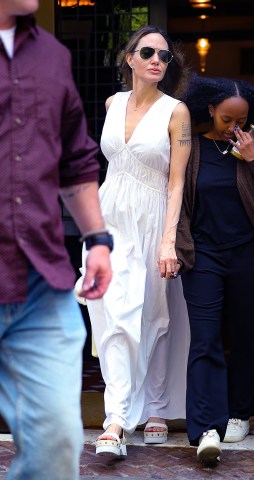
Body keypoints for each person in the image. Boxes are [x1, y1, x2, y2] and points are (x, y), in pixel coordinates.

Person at [0, 1, 113, 479]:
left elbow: (75, 158)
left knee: (57, 442)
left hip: (39, 281)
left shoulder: (52, 55)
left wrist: (98, 240)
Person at [175, 75, 254, 464]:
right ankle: (206, 426)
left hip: (249, 254)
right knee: (205, 338)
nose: (234, 128)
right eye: (227, 119)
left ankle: (240, 412)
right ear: (210, 109)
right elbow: (175, 199)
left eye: (241, 121)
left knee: (248, 333)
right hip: (203, 255)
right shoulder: (190, 147)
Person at [82, 25, 191, 456]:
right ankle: (116, 421)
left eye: (165, 57)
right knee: (112, 316)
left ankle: (158, 406)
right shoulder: (113, 103)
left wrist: (168, 241)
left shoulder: (176, 111)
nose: (157, 61)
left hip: (151, 219)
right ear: (129, 58)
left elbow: (177, 182)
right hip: (109, 220)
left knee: (154, 318)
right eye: (148, 52)